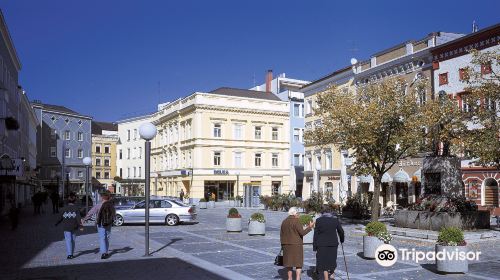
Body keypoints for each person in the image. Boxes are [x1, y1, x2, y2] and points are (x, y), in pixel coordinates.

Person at [280, 207, 314, 280]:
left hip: (286, 245)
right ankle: (298, 278)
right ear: (295, 213)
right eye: (298, 213)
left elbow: (281, 234)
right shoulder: (296, 221)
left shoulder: (284, 221)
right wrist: (309, 227)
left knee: (289, 263)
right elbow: (302, 232)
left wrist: (282, 245)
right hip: (296, 245)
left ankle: (289, 278)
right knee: (298, 263)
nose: (298, 215)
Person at [313, 205, 345, 280]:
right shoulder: (335, 220)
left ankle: (326, 278)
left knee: (324, 262)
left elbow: (316, 234)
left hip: (322, 244)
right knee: (332, 260)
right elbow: (341, 231)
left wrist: (314, 246)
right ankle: (332, 275)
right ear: (330, 211)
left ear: (322, 212)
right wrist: (342, 239)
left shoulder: (319, 220)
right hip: (333, 244)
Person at [82, 190, 116, 259]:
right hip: (108, 223)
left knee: (102, 238)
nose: (100, 198)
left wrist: (84, 219)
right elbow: (114, 214)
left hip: (100, 223)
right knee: (107, 237)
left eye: (100, 196)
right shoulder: (111, 205)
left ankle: (104, 253)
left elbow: (91, 213)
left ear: (102, 197)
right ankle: (106, 251)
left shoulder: (98, 205)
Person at [55, 193, 81, 259]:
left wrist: (56, 223)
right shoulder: (76, 208)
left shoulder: (63, 209)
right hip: (74, 226)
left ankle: (70, 254)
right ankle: (71, 252)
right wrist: (80, 226)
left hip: (66, 227)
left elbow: (60, 218)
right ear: (75, 201)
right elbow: (78, 218)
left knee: (68, 240)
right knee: (73, 240)